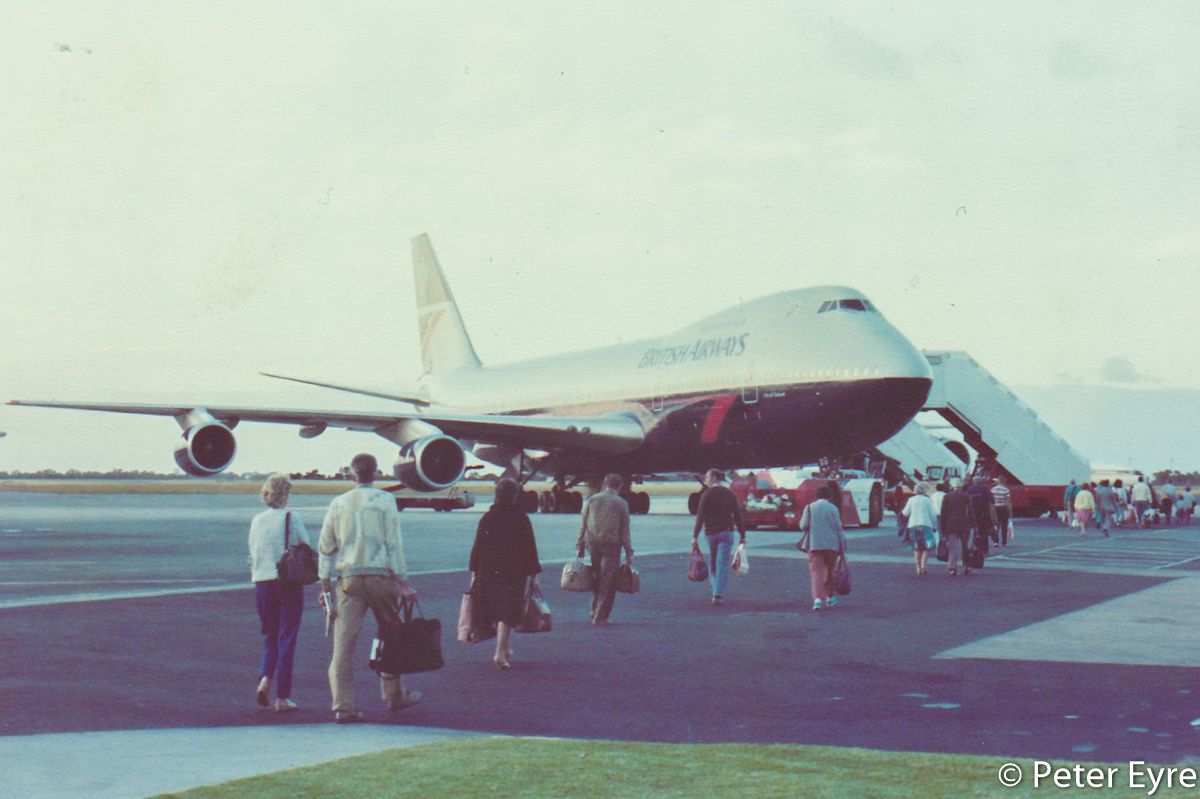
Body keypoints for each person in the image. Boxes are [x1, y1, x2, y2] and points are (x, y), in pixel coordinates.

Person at [319, 453, 421, 723]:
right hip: (380, 578)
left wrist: (325, 582)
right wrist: (403, 581)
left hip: (349, 580)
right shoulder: (385, 501)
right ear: (375, 474)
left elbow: (326, 546)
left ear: (351, 474)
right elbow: (393, 544)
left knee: (343, 647)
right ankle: (393, 695)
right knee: (391, 636)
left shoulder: (338, 503)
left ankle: (342, 705)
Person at [248, 473, 310, 712]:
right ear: (286, 494)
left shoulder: (257, 520)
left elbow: (253, 550)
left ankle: (265, 678)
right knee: (287, 638)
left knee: (269, 636)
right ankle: (282, 697)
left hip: (262, 583)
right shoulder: (291, 517)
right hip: (286, 583)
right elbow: (303, 544)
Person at [468, 478, 542, 670]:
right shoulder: (521, 518)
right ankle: (500, 652)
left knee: (495, 607)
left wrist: (474, 571)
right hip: (513, 571)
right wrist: (534, 575)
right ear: (515, 496)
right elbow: (529, 548)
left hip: (489, 570)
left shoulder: (487, 518)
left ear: (496, 495)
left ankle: (505, 648)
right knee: (507, 610)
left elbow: (477, 546)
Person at [576, 473, 634, 625]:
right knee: (608, 580)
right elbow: (624, 530)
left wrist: (580, 545)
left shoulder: (592, 499)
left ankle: (594, 609)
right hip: (611, 545)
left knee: (598, 576)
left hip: (593, 543)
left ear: (604, 484)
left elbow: (583, 524)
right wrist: (629, 552)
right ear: (620, 486)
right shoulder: (621, 503)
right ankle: (600, 617)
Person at [691, 468, 747, 605]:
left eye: (708, 477)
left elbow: (700, 516)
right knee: (722, 564)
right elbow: (738, 515)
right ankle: (718, 594)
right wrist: (742, 534)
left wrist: (694, 536)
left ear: (715, 478)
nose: (706, 480)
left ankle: (716, 590)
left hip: (711, 533)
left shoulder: (707, 495)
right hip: (727, 533)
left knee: (714, 564)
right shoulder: (730, 494)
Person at [798, 485, 846, 610]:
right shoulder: (833, 509)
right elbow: (839, 528)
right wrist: (843, 546)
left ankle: (817, 600)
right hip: (832, 545)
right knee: (829, 572)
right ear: (829, 497)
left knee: (816, 572)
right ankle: (829, 598)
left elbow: (803, 526)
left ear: (816, 496)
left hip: (814, 544)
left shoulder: (809, 508)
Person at [900, 483, 939, 576]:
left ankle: (918, 568)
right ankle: (923, 565)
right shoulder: (928, 500)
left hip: (914, 525)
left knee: (917, 547)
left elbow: (905, 513)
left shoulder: (911, 500)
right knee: (927, 546)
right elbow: (933, 515)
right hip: (926, 524)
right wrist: (934, 527)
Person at [939, 479, 972, 576]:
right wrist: (973, 524)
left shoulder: (947, 496)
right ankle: (966, 566)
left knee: (953, 547)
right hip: (964, 524)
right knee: (965, 547)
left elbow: (943, 513)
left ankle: (952, 567)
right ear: (961, 486)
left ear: (952, 486)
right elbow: (970, 512)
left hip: (951, 525)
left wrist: (943, 527)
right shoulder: (966, 496)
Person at [966, 476, 998, 556]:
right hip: (984, 513)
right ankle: (985, 549)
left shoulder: (970, 490)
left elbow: (966, 501)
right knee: (984, 531)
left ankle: (978, 548)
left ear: (974, 481)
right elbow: (992, 499)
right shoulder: (985, 488)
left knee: (976, 531)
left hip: (973, 513)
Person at [992, 475, 1013, 546]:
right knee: (1004, 525)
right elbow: (1008, 501)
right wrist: (1010, 512)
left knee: (996, 525)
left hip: (995, 509)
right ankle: (1004, 541)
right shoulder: (1006, 490)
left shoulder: (993, 489)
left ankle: (995, 541)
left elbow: (991, 501)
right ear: (1004, 481)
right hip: (1003, 508)